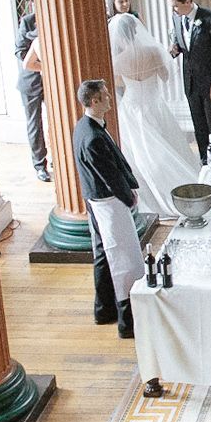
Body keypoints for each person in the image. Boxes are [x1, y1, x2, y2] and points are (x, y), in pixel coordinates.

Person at [106, 13, 200, 219]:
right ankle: (182, 189)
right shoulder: (153, 51)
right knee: (167, 148)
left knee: (139, 157)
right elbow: (165, 77)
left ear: (119, 37)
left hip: (132, 109)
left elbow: (118, 85)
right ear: (137, 30)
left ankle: (148, 195)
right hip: (155, 106)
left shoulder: (118, 60)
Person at [73, 79, 142, 340]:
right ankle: (128, 321)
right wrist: (129, 197)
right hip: (107, 203)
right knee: (123, 258)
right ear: (93, 102)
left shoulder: (85, 127)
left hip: (95, 200)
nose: (110, 98)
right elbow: (108, 175)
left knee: (103, 253)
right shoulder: (92, 138)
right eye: (105, 96)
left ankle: (103, 310)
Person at [165, 0, 211, 158]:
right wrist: (175, 48)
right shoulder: (177, 18)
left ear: (188, 1)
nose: (174, 10)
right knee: (199, 125)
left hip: (210, 82)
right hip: (191, 82)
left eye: (176, 5)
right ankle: (205, 160)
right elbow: (183, 44)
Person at [14, 10, 49, 182]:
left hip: (53, 80)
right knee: (34, 123)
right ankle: (39, 165)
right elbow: (19, 51)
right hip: (31, 81)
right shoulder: (28, 21)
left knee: (57, 121)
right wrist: (42, 61)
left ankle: (59, 159)